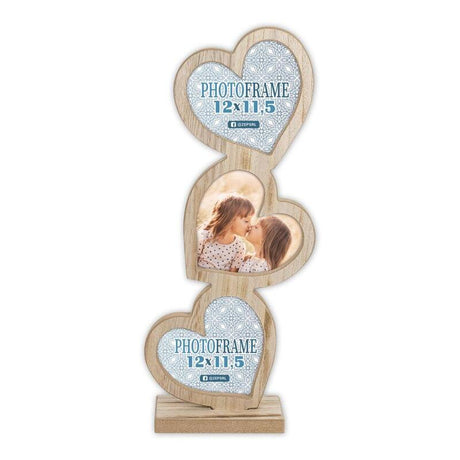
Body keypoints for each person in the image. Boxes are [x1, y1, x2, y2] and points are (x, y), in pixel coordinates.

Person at [197, 194, 254, 272]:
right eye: (246, 221)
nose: (250, 225)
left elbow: (232, 275)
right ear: (230, 219)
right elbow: (191, 266)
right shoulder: (203, 237)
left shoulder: (239, 247)